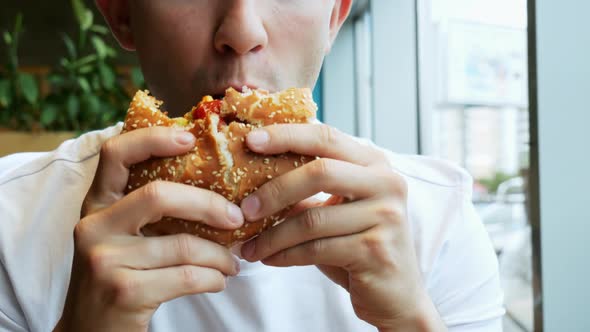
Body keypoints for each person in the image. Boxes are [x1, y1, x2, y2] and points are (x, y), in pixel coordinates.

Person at [0, 1, 504, 331]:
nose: (241, 31)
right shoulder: (12, 222)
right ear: (121, 14)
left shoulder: (439, 222)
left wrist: (412, 320)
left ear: (335, 15)